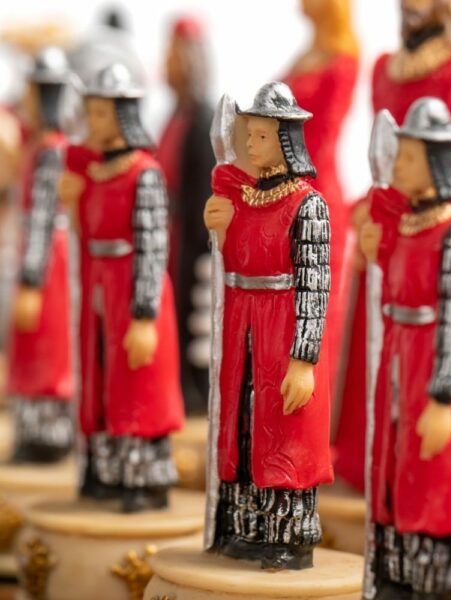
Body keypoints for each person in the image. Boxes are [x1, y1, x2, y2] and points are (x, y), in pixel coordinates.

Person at [333, 0, 451, 491]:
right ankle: (368, 464)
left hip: (439, 248)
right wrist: (367, 206)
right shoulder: (384, 71)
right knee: (378, 355)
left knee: (428, 361)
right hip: (389, 239)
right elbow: (388, 168)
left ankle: (423, 481)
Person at [204, 82, 332, 570]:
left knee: (281, 428)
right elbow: (231, 263)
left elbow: (315, 286)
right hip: (242, 324)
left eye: (261, 136)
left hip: (281, 328)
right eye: (250, 135)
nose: (252, 145)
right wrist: (218, 230)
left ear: (285, 141)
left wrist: (304, 358)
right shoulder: (240, 198)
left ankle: (287, 534)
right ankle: (245, 527)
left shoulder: (309, 206)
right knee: (242, 425)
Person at [361, 98, 451, 599]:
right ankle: (396, 572)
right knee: (394, 465)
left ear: (435, 161)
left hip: (430, 361)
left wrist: (443, 396)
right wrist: (376, 252)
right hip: (397, 353)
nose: (399, 165)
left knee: (431, 473)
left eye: (409, 157)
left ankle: (434, 578)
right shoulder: (403, 225)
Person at [75, 63, 184, 512]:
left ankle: (144, 477)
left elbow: (154, 246)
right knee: (101, 376)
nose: (92, 122)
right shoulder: (95, 174)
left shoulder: (145, 174)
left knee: (137, 383)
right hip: (101, 287)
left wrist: (144, 313)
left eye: (101, 113)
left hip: (130, 288)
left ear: (122, 115)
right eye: (91, 112)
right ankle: (107, 469)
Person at [284, 0, 358, 396]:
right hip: (289, 185)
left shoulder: (342, 60)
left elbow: (324, 133)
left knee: (316, 300)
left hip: (317, 188)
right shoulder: (305, 56)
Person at [7, 47, 74, 463]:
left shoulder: (51, 151)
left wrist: (32, 278)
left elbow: (43, 217)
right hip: (41, 257)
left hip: (48, 263)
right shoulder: (40, 148)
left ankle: (49, 433)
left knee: (47, 349)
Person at [156, 16, 214, 414]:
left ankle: (192, 389)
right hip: (172, 236)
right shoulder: (174, 117)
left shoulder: (201, 120)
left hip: (191, 243)